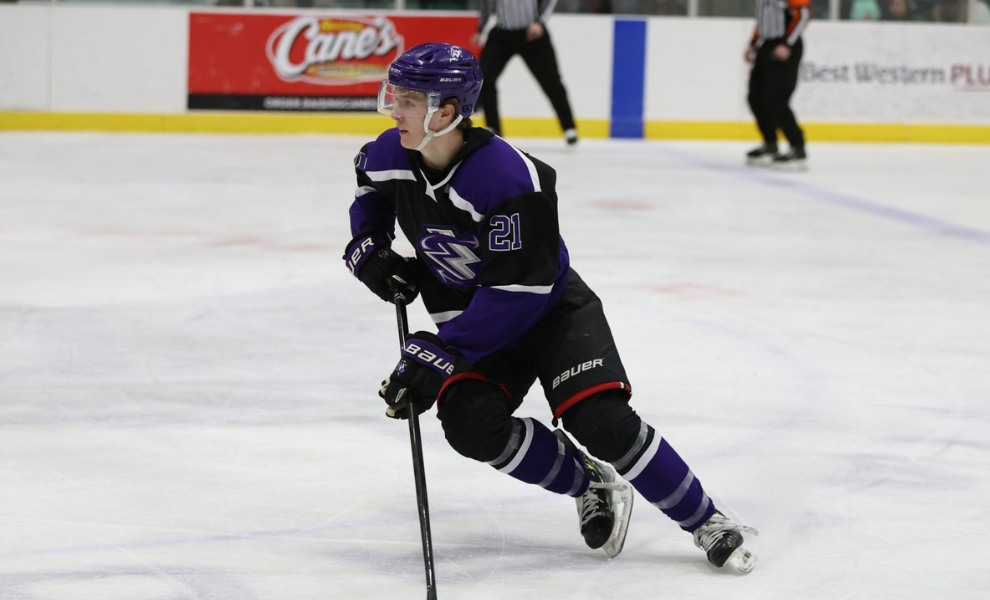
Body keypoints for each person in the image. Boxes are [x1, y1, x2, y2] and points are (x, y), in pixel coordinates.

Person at [343, 42, 758, 572]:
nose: (391, 108)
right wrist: (369, 248)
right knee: (470, 424)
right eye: (393, 94)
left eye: (406, 99)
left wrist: (442, 351)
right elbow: (369, 191)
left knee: (600, 420)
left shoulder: (509, 178)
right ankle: (591, 483)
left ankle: (708, 521)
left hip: (550, 313)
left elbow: (519, 292)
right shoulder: (387, 154)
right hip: (473, 325)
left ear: (445, 112)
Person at [474, 0, 579, 145]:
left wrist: (540, 22)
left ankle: (569, 127)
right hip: (502, 33)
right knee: (484, 77)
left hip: (532, 34)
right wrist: (480, 28)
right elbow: (487, 4)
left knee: (551, 81)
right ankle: (493, 128)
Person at [744, 0, 811, 170]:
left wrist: (788, 44)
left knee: (776, 99)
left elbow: (802, 15)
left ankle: (797, 147)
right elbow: (764, 20)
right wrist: (753, 44)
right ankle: (770, 143)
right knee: (755, 97)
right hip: (766, 45)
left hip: (785, 46)